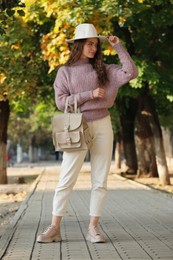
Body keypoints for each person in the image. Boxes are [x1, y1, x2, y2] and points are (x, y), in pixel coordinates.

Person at [37, 23, 138, 243]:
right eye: (89, 44)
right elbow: (61, 101)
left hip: (103, 123)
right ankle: (54, 227)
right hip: (76, 127)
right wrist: (88, 94)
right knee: (66, 178)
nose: (94, 48)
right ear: (79, 45)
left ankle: (93, 228)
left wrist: (118, 47)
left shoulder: (105, 69)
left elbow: (131, 72)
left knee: (100, 180)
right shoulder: (65, 72)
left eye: (96, 44)